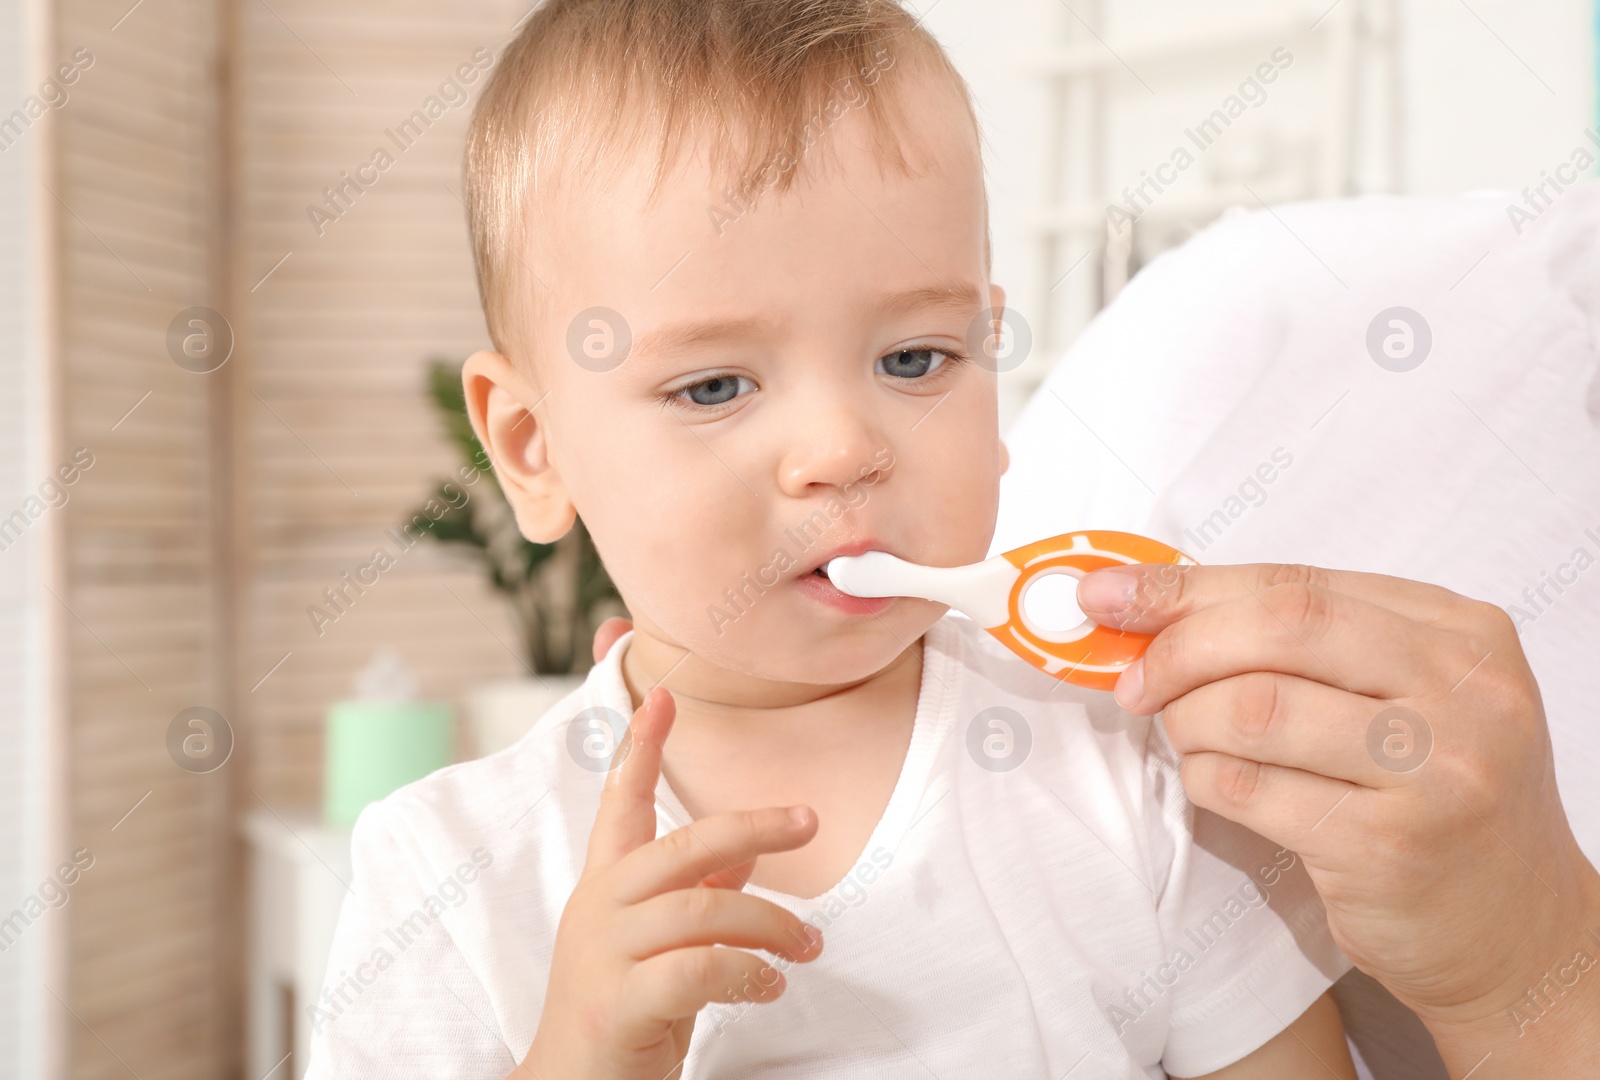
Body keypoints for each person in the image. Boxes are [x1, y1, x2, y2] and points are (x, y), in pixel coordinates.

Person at [304, 1, 1468, 1076]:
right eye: (713, 385)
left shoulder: (1127, 770)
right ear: (530, 447)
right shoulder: (451, 871)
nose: (842, 449)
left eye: (914, 359)